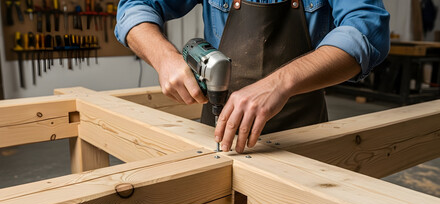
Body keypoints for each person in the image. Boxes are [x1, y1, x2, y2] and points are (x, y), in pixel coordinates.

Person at [115, 0, 390, 153]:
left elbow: (366, 29)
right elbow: (135, 6)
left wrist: (280, 83)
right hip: (218, 132)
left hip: (305, 136)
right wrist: (164, 57)